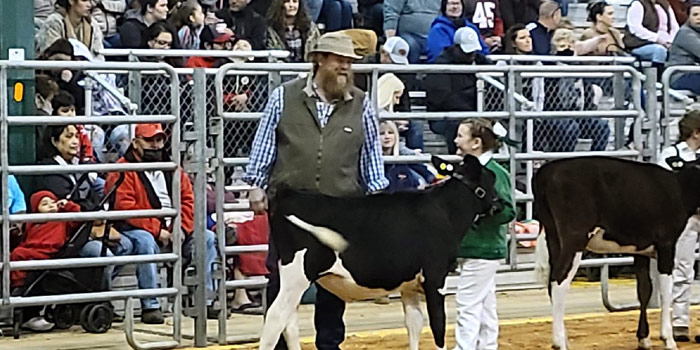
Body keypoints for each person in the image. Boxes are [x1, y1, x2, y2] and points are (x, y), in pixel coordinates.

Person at [243, 32, 388, 350]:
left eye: (349, 62)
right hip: (292, 209)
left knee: (335, 283)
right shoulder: (285, 96)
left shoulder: (361, 104)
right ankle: (279, 344)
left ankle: (329, 344)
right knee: (281, 280)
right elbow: (265, 143)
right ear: (318, 59)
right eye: (339, 61)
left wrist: (378, 200)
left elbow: (371, 157)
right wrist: (256, 183)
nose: (345, 68)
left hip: (341, 207)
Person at [105, 123, 219, 323]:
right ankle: (151, 305)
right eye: (149, 140)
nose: (156, 145)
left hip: (174, 228)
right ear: (136, 143)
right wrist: (158, 230)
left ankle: (205, 301)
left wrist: (181, 229)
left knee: (208, 238)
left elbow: (188, 201)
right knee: (145, 241)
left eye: (159, 140)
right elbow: (125, 208)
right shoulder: (122, 169)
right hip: (135, 229)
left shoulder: (173, 167)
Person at [453, 118, 515, 350]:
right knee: (485, 305)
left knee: (467, 303)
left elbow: (508, 210)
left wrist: (479, 216)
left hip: (483, 247)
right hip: (479, 247)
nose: (456, 141)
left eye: (461, 136)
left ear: (476, 143)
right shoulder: (472, 171)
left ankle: (465, 347)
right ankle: (486, 346)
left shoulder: (493, 173)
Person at [660, 110, 700, 342]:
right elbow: (661, 189)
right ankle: (679, 322)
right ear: (695, 133)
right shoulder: (669, 155)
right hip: (683, 219)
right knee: (682, 269)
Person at [668, 2, 700, 95]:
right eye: (695, 15)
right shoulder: (685, 33)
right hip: (680, 76)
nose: (699, 18)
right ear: (688, 17)